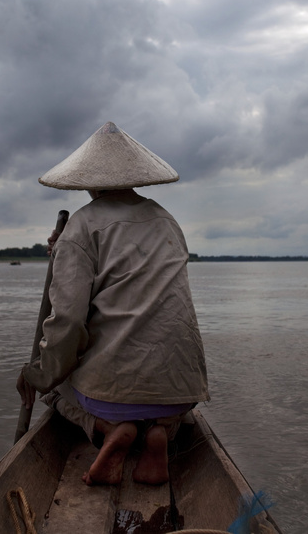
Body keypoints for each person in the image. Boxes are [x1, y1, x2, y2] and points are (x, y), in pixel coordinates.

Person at [16, 121, 209, 486]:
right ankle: (161, 433)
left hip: (113, 398)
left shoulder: (82, 225)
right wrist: (66, 250)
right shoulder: (168, 222)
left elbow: (69, 325)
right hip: (182, 391)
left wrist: (38, 374)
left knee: (55, 391)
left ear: (88, 181)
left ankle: (103, 427)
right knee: (165, 402)